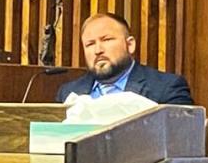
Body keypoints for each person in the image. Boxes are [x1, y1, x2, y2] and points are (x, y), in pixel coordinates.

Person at [55, 13, 193, 104]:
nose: (98, 50)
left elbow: (181, 141)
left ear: (130, 45)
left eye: (107, 40)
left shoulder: (166, 88)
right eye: (90, 44)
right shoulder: (68, 93)